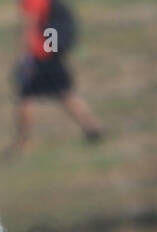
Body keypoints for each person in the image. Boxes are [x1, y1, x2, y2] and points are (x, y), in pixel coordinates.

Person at [10, 0, 102, 154]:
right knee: (64, 92)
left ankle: (24, 142)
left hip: (40, 55)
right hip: (50, 53)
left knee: (25, 96)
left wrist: (26, 56)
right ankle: (92, 127)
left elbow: (30, 27)